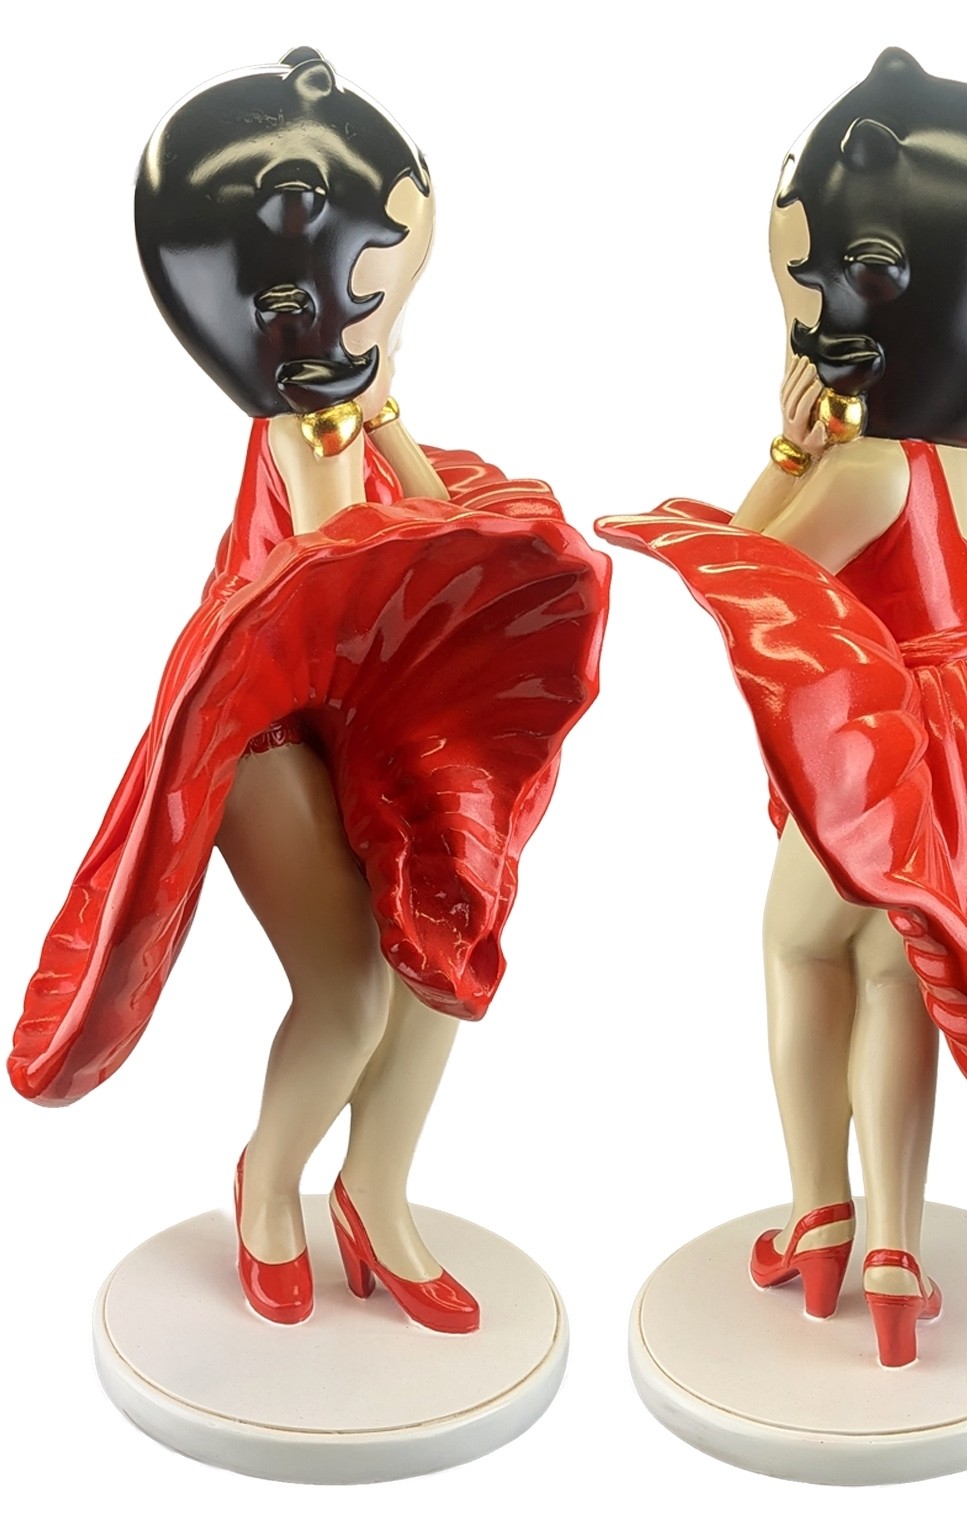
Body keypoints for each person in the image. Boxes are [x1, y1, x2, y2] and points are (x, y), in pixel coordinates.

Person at [598, 49, 967, 1367]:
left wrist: (787, 446)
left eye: (809, 293)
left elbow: (749, 565)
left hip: (891, 740)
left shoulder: (869, 468)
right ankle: (894, 1253)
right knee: (890, 972)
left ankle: (823, 1214)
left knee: (798, 949)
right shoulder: (964, 457)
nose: (802, 325)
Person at [9, 49, 609, 1331]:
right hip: (267, 722)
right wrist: (369, 431)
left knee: (444, 951)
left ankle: (376, 1191)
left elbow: (431, 519)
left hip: (358, 705)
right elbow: (352, 572)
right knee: (348, 990)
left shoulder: (352, 404)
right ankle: (268, 1184)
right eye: (388, 279)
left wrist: (389, 414)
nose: (395, 314)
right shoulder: (303, 426)